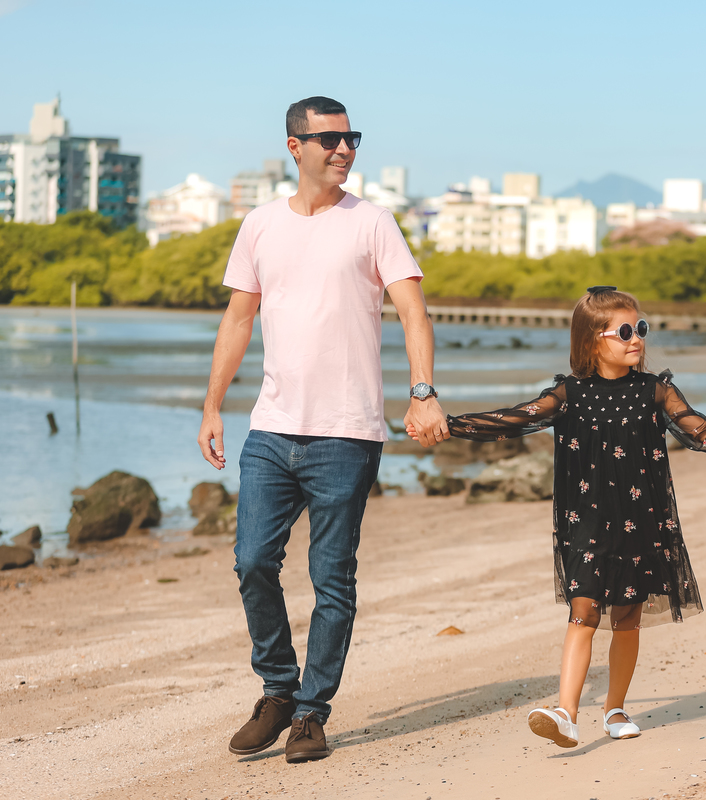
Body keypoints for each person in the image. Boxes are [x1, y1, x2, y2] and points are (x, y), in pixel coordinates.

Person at [198, 96, 448, 763]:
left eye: (351, 138)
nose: (344, 150)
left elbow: (414, 315)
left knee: (332, 578)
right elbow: (238, 321)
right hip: (272, 431)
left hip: (346, 433)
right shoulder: (258, 225)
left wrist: (423, 393)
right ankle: (278, 691)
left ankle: (312, 712)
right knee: (253, 562)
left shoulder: (373, 222)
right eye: (329, 139)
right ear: (294, 147)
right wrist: (211, 406)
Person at [411, 287, 706, 747]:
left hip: (642, 521)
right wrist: (449, 425)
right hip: (584, 523)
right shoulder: (569, 394)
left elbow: (700, 433)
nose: (636, 339)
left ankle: (616, 707)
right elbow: (515, 419)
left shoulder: (655, 391)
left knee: (626, 618)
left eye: (640, 328)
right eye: (624, 332)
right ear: (591, 341)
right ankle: (565, 712)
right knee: (583, 610)